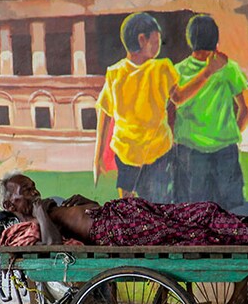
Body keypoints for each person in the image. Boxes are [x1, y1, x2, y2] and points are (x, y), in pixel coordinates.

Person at [0, 172, 248, 253]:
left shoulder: (45, 208)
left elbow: (74, 217)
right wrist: (41, 211)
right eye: (27, 191)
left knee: (204, 210)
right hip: (114, 231)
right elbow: (52, 247)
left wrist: (80, 204)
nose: (34, 192)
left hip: (121, 214)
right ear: (10, 204)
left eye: (33, 186)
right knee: (196, 229)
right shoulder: (30, 225)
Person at [93, 12, 227, 201]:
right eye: (156, 41)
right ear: (142, 40)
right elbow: (180, 97)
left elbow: (104, 114)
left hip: (143, 153)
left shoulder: (118, 73)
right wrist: (208, 72)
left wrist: (97, 157)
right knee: (143, 208)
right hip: (143, 154)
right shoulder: (159, 69)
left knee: (144, 207)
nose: (159, 45)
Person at [173, 14, 248, 209]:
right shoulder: (229, 68)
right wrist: (229, 132)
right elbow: (247, 108)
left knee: (191, 213)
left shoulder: (178, 70)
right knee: (226, 212)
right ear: (216, 40)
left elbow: (173, 104)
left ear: (190, 40)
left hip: (188, 150)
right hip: (225, 151)